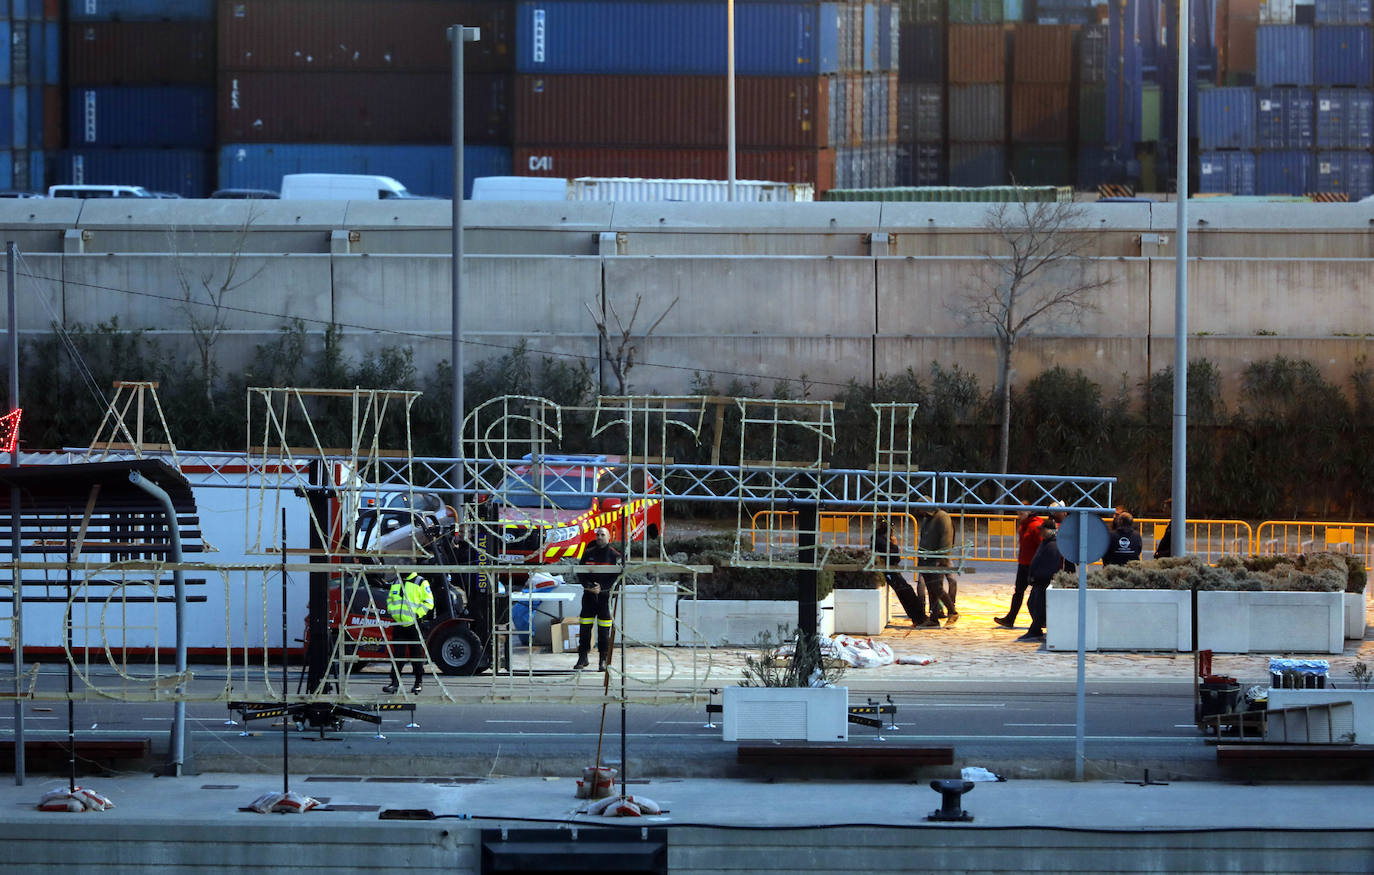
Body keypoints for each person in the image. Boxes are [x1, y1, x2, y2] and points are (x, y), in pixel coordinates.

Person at [575, 526, 620, 671]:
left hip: (604, 599)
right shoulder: (587, 554)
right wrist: (588, 586)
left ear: (609, 538)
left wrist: (603, 587)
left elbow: (618, 577)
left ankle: (603, 660)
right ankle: (582, 658)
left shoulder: (615, 556)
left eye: (602, 534)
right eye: (598, 534)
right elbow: (580, 573)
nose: (599, 537)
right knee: (584, 629)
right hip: (588, 597)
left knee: (604, 632)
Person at [995, 503, 1045, 629]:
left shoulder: (1035, 526)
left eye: (1021, 514)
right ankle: (1010, 618)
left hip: (1032, 565)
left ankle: (1040, 620)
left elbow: (1041, 546)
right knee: (1018, 592)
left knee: (1035, 595)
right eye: (1018, 514)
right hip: (1023, 564)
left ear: (1029, 512)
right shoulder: (1024, 525)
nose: (1019, 516)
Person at [384, 570, 434, 694]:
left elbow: (428, 602)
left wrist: (418, 614)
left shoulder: (421, 582)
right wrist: (392, 611)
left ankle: (418, 682)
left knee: (416, 656)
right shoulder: (396, 581)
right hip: (399, 624)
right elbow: (390, 599)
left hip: (414, 625)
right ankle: (394, 683)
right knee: (398, 656)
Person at [873, 518, 928, 628]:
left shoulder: (879, 538)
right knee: (906, 592)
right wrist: (895, 545)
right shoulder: (882, 541)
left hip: (890, 570)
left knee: (906, 591)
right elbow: (895, 558)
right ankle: (919, 617)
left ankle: (919, 617)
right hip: (889, 571)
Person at [1020, 518, 1065, 643]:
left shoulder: (1052, 545)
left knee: (1037, 605)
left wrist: (1036, 577)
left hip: (1042, 580)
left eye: (1042, 530)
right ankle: (1037, 627)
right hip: (1039, 580)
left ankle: (1036, 629)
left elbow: (1049, 565)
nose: (1040, 532)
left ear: (1047, 531)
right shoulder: (1047, 543)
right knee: (1033, 604)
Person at [916, 500, 957, 627]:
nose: (918, 512)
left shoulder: (942, 517)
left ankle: (952, 612)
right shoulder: (926, 519)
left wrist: (943, 558)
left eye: (920, 509)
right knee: (931, 589)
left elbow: (946, 539)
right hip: (926, 559)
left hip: (937, 560)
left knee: (937, 588)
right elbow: (923, 538)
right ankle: (934, 618)